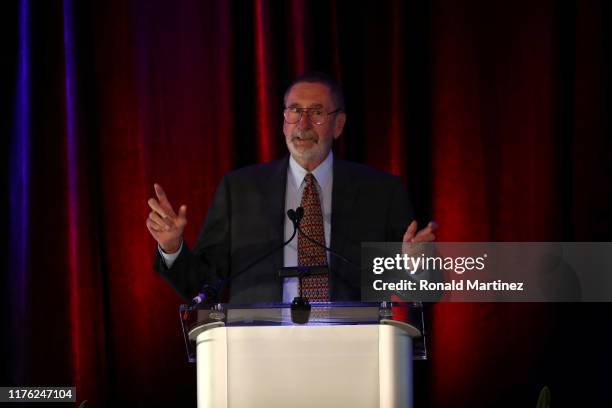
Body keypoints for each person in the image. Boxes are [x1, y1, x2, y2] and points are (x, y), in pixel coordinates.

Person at [146, 72, 437, 303]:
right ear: (283, 122)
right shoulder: (240, 190)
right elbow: (203, 285)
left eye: (317, 112)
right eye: (295, 111)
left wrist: (415, 268)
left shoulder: (381, 192)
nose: (303, 124)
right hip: (259, 351)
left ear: (339, 124)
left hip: (354, 352)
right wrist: (172, 248)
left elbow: (424, 292)